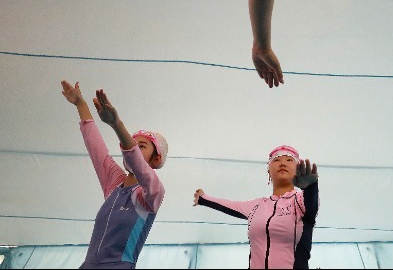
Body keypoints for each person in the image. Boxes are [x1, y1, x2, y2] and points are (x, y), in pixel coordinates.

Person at [61, 80, 168, 269]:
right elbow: (96, 148)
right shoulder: (115, 185)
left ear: (156, 159)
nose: (133, 148)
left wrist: (116, 124)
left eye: (141, 146)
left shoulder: (152, 193)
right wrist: (81, 104)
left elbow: (136, 161)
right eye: (131, 143)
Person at [193, 145, 319, 269]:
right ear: (268, 171)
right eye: (276, 160)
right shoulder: (257, 205)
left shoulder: (301, 200)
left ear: (298, 169)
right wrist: (203, 199)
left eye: (289, 160)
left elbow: (312, 204)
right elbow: (228, 205)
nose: (282, 163)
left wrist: (311, 187)